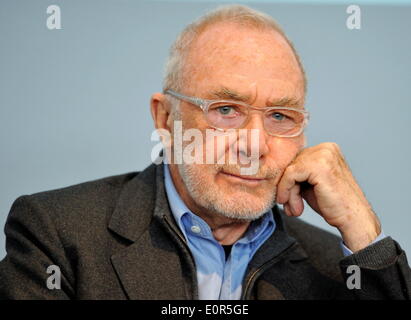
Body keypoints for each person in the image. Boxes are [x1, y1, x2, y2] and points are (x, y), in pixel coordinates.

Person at [0, 4, 410, 300]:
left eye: (281, 116)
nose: (253, 144)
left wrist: (364, 233)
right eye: (226, 110)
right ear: (165, 119)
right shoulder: (57, 234)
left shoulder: (337, 266)